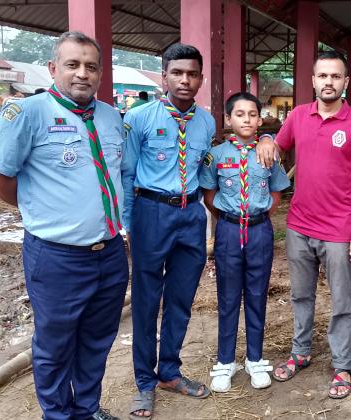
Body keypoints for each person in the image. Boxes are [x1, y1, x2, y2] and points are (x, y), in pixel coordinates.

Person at [0, 31, 126, 420]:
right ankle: (58, 415)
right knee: (55, 346)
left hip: (109, 252)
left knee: (97, 340)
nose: (82, 73)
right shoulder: (26, 114)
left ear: (100, 73)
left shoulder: (111, 117)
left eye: (91, 66)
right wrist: (36, 208)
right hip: (57, 257)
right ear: (52, 68)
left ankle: (87, 410)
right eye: (72, 64)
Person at [255, 50, 351, 399]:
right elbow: (277, 146)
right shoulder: (298, 116)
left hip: (339, 229)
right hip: (299, 225)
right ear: (312, 80)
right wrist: (265, 139)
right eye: (323, 76)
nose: (329, 82)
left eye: (335, 76)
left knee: (341, 301)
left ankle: (342, 364)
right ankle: (301, 351)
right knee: (301, 294)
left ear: (346, 82)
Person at [122, 43, 216, 419]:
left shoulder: (207, 122)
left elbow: (206, 170)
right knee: (146, 302)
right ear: (164, 77)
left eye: (192, 74)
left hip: (191, 214)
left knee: (181, 299)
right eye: (177, 73)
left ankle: (170, 372)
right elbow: (127, 174)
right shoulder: (139, 118)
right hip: (151, 213)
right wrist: (128, 224)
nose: (184, 80)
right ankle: (144, 382)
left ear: (201, 79)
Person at [200, 92, 290, 392]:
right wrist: (229, 218)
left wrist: (258, 215)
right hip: (228, 230)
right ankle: (225, 361)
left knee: (256, 294)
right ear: (228, 119)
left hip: (259, 231)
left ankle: (255, 357)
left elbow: (276, 192)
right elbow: (209, 195)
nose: (247, 119)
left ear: (260, 119)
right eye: (239, 114)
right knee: (227, 297)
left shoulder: (268, 153)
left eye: (252, 114)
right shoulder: (216, 155)